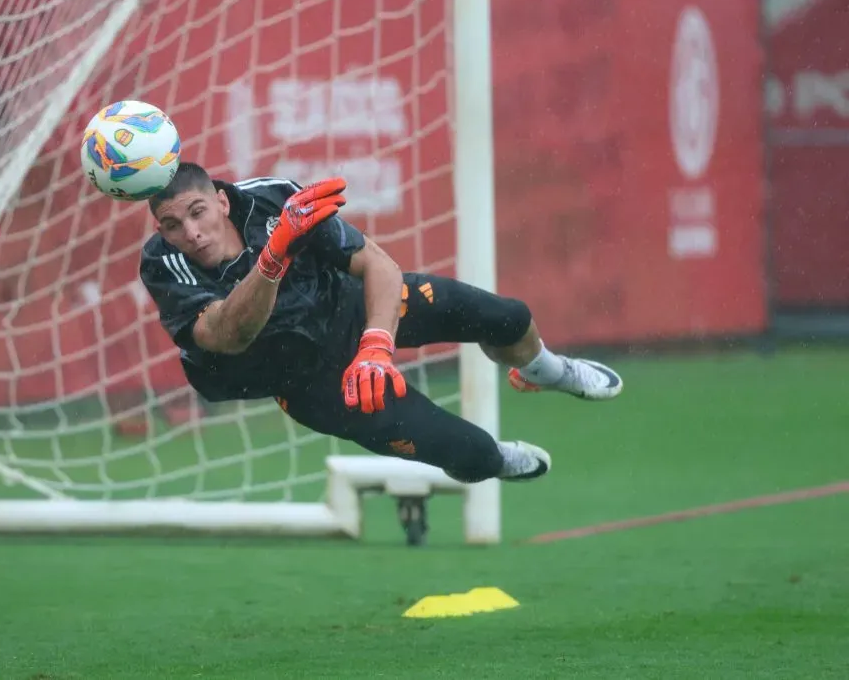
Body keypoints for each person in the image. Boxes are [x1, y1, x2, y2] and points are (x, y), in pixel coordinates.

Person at [139, 162, 622, 484]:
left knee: (508, 316)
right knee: (470, 456)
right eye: (173, 225)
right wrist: (273, 257)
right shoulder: (162, 264)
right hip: (308, 380)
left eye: (198, 213)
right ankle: (493, 457)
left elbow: (378, 266)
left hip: (348, 308)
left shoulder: (273, 200)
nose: (192, 233)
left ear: (221, 202)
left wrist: (375, 345)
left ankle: (546, 369)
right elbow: (228, 333)